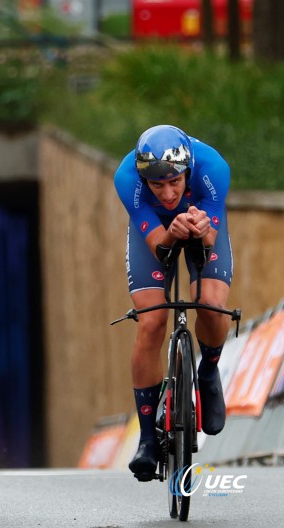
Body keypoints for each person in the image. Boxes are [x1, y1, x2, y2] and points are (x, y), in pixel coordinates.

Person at [114, 125, 233, 481]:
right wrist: (172, 230)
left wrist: (200, 228)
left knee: (212, 304)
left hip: (202, 225)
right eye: (157, 185)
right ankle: (148, 437)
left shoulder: (213, 168)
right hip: (155, 234)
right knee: (151, 321)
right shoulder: (126, 178)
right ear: (143, 178)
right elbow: (160, 249)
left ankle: (208, 372)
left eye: (176, 182)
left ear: (189, 170)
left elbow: (210, 241)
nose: (167, 193)